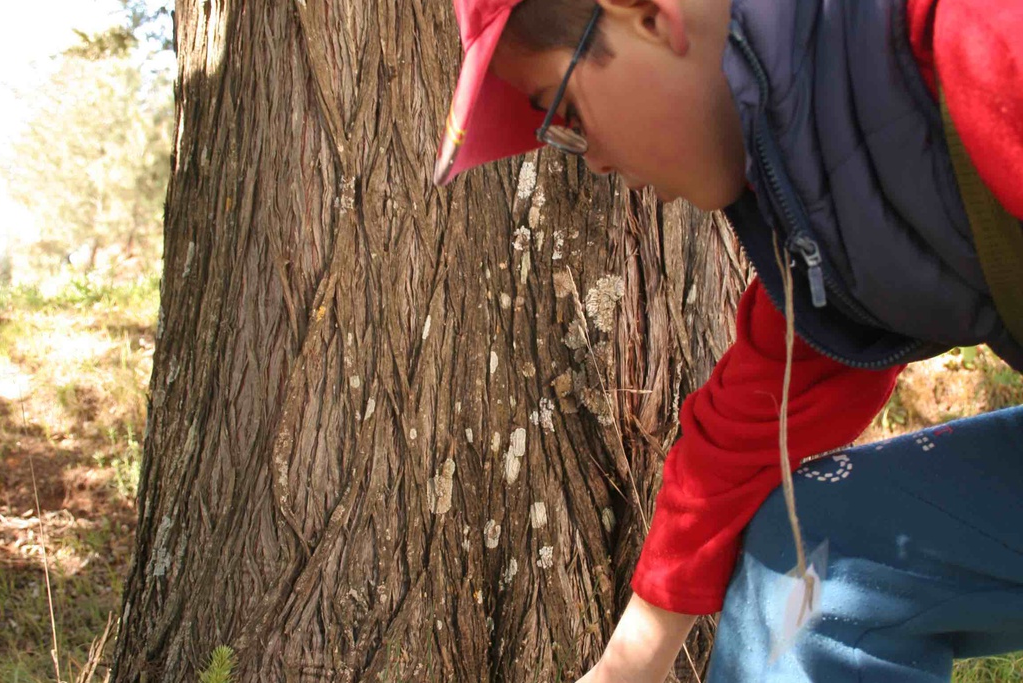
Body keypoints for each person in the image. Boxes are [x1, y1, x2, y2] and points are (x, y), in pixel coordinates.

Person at [431, 0, 1023, 680]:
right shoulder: (813, 172)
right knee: (811, 564)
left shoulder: (972, 32)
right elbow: (755, 419)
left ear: (652, 16)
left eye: (563, 112)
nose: (589, 161)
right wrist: (629, 664)